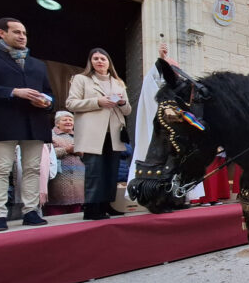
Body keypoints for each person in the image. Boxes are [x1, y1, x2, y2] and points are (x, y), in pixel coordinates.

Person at [0, 18, 53, 232]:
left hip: (35, 121)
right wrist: (13, 92)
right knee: (1, 168)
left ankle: (31, 212)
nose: (22, 36)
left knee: (33, 169)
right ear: (1, 33)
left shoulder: (38, 64)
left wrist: (45, 101)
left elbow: (49, 93)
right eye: (16, 32)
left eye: (24, 32)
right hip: (5, 120)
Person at [127, 42, 204, 202]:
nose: (175, 71)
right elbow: (153, 78)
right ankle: (158, 196)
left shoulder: (181, 87)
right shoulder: (155, 83)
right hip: (161, 133)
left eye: (177, 68)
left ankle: (181, 194)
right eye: (170, 68)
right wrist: (160, 61)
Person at [66, 48, 132, 220]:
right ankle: (92, 207)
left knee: (111, 170)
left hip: (114, 132)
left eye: (103, 58)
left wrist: (122, 102)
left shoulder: (118, 83)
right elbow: (71, 103)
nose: (99, 61)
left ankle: (106, 204)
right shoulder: (82, 79)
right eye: (95, 58)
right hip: (93, 133)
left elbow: (127, 110)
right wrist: (98, 102)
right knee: (95, 170)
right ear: (91, 62)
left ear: (109, 62)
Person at [44, 111, 85, 216]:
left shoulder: (79, 136)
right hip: (57, 176)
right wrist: (67, 150)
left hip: (78, 178)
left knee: (76, 208)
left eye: (70, 120)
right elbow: (46, 153)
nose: (68, 122)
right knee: (56, 206)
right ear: (57, 123)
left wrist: (81, 152)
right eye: (64, 120)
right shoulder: (49, 135)